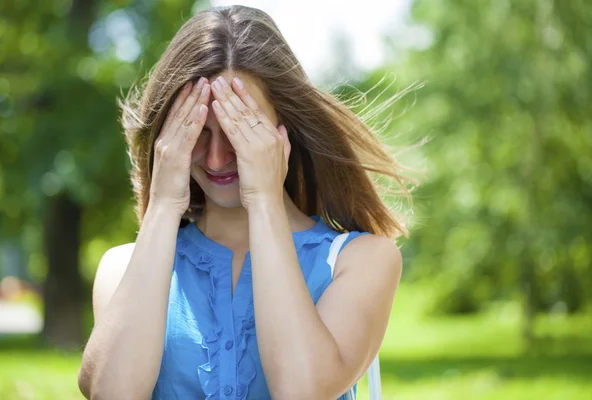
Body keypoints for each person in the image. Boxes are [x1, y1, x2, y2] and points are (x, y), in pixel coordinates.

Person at [78, 4, 410, 399]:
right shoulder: (121, 268)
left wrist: (264, 198)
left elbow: (301, 390)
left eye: (240, 126)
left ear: (283, 129)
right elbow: (113, 393)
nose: (217, 158)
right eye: (198, 130)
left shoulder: (362, 260)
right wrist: (164, 205)